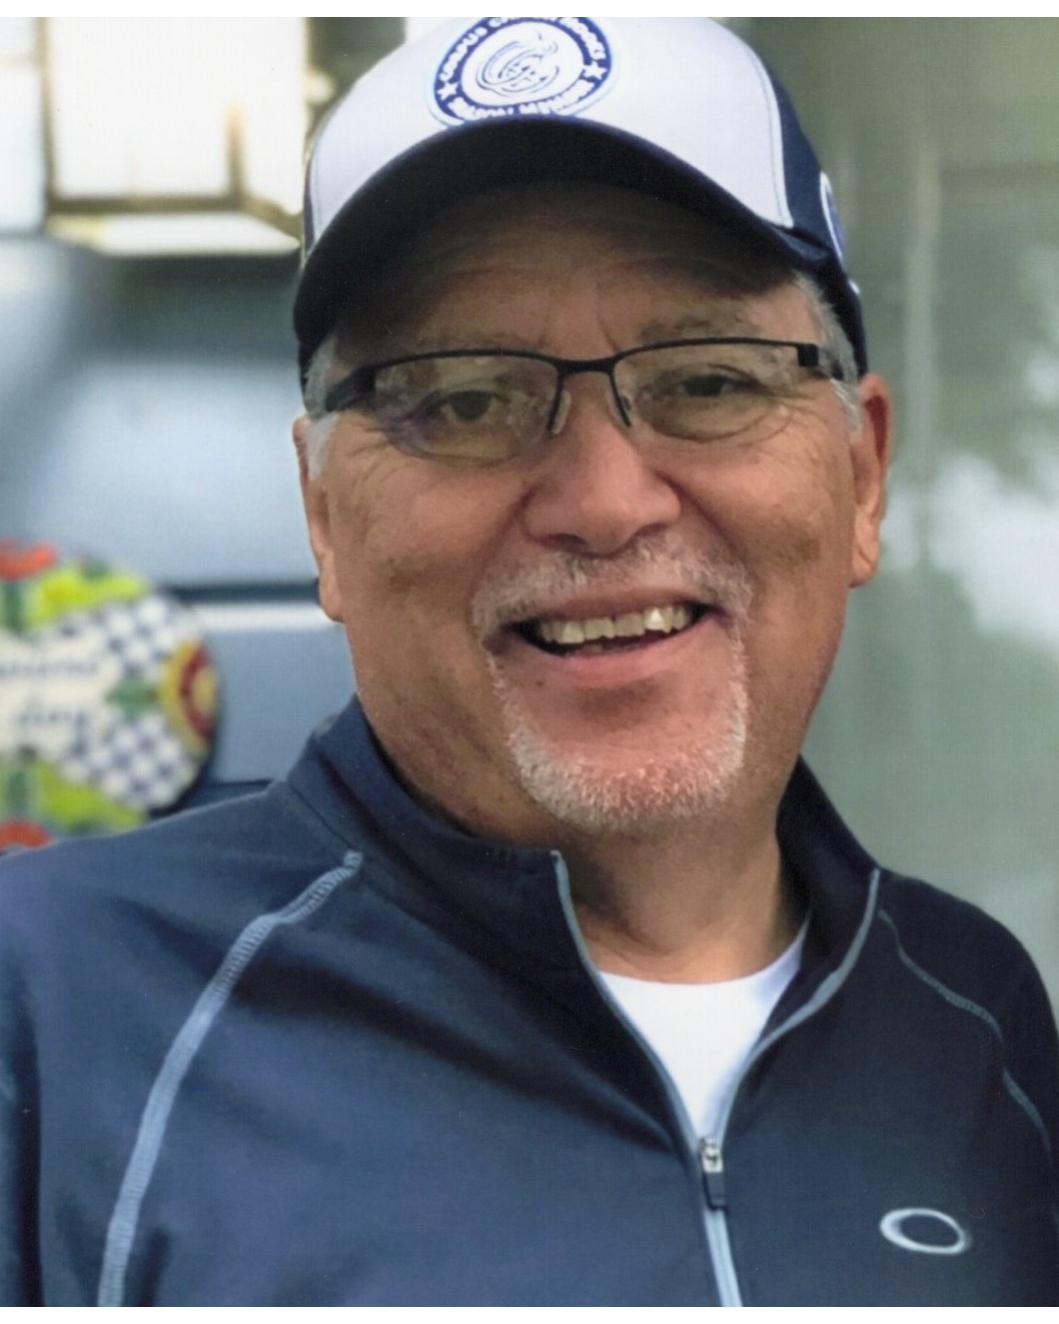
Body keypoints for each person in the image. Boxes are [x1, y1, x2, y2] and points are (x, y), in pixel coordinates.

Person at [1, 18, 1056, 1307]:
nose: (604, 503)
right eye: (461, 399)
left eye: (708, 382)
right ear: (325, 518)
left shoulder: (976, 1019)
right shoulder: (48, 1011)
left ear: (861, 477)